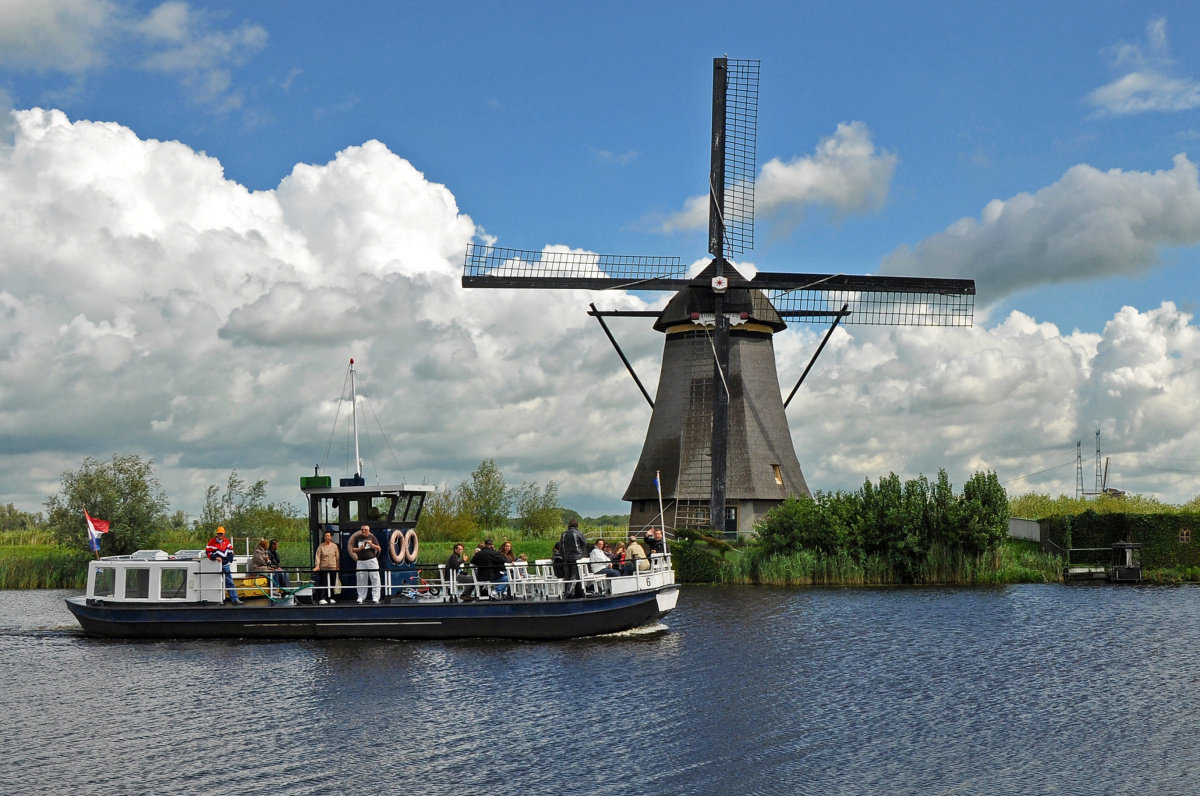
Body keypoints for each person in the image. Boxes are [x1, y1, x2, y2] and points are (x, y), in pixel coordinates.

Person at [205, 526, 241, 605]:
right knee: (217, 582)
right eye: (219, 533)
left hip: (225, 564)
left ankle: (235, 599)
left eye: (221, 533)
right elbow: (208, 553)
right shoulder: (212, 542)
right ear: (217, 534)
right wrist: (215, 558)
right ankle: (219, 600)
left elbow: (230, 550)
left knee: (229, 582)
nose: (220, 535)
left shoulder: (226, 541)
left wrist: (230, 558)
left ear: (224, 533)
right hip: (216, 565)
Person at [352, 526, 382, 603]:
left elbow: (379, 548)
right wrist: (360, 548)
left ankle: (375, 597)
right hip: (361, 561)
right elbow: (353, 549)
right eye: (362, 530)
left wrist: (372, 545)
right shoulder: (357, 538)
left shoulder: (372, 537)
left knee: (375, 578)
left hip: (371, 560)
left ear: (368, 530)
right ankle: (361, 596)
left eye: (366, 530)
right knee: (361, 578)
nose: (364, 531)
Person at [559, 519, 588, 598]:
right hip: (576, 556)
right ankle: (569, 592)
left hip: (566, 556)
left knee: (567, 574)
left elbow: (561, 544)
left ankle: (571, 591)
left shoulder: (563, 534)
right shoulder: (579, 533)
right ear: (577, 525)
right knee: (574, 574)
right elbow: (584, 543)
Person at [312, 531, 339, 604]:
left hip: (332, 567)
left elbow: (337, 557)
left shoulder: (334, 546)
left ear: (331, 537)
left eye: (328, 536)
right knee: (323, 582)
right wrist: (317, 565)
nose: (327, 537)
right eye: (325, 536)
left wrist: (337, 566)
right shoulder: (321, 546)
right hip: (323, 567)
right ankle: (322, 598)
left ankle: (332, 597)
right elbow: (318, 556)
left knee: (332, 582)